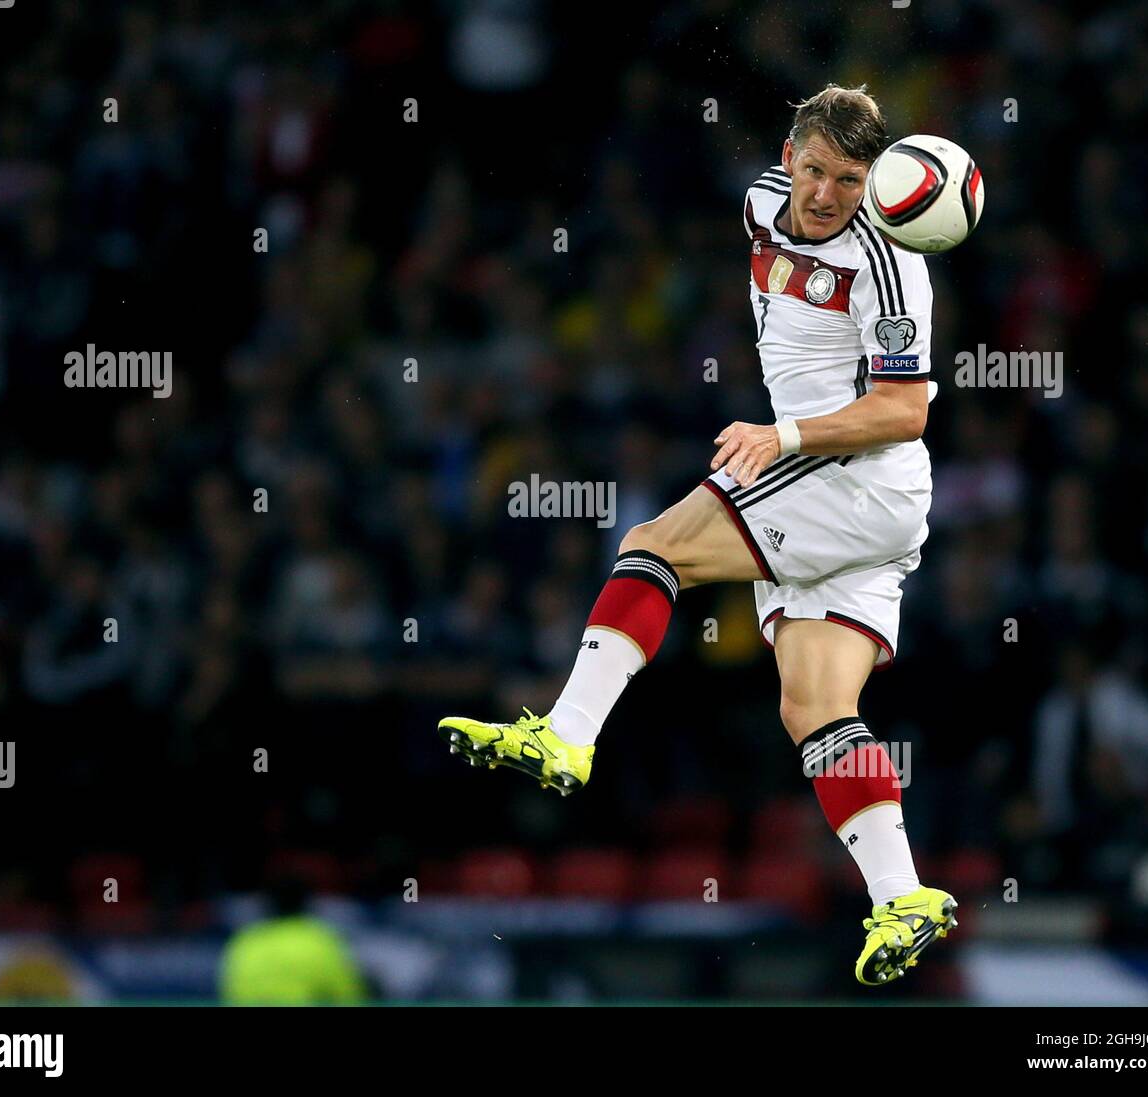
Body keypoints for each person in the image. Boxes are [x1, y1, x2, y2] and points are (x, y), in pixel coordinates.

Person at [439, 85, 957, 985]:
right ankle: (903, 894)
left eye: (850, 178)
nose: (828, 194)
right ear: (790, 154)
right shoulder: (761, 200)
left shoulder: (892, 264)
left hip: (853, 478)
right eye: (817, 170)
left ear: (876, 182)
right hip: (856, 506)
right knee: (815, 709)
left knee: (654, 542)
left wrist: (782, 434)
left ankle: (567, 732)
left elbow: (906, 409)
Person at [218, 875, 368, 1004]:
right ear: (307, 902)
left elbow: (231, 994)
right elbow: (348, 996)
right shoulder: (321, 940)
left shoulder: (245, 941)